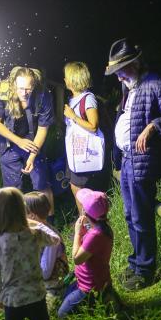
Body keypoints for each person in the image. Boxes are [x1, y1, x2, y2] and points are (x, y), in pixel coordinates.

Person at [105, 38, 161, 291]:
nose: (119, 77)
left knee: (141, 217)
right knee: (131, 215)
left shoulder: (157, 84)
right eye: (116, 73)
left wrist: (154, 126)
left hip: (143, 161)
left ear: (136, 63)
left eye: (122, 70)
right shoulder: (130, 86)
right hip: (129, 159)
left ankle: (145, 270)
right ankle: (136, 263)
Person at [0, 187, 65, 320]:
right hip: (37, 295)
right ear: (22, 210)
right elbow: (55, 239)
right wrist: (36, 224)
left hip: (12, 300)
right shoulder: (34, 233)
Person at [0, 66, 56, 222]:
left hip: (33, 143)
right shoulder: (1, 91)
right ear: (13, 84)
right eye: (20, 88)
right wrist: (18, 141)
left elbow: (43, 129)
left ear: (34, 85)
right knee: (12, 188)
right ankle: (17, 222)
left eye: (28, 89)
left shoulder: (43, 95)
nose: (24, 93)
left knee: (42, 183)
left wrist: (32, 157)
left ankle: (50, 223)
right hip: (9, 144)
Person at [58, 188, 114, 318]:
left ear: (85, 211)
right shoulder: (102, 227)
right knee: (62, 297)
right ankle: (94, 303)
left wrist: (78, 233)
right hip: (88, 280)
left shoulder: (95, 235)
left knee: (61, 315)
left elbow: (77, 259)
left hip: (89, 287)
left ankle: (93, 303)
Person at [63, 61, 106, 215]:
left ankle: (88, 223)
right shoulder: (73, 98)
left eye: (67, 77)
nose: (64, 80)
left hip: (84, 151)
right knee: (75, 187)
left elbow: (93, 126)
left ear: (74, 79)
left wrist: (73, 116)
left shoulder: (88, 98)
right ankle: (86, 222)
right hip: (75, 150)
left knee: (79, 189)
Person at [24, 191, 69, 311]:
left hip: (53, 286)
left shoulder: (50, 238)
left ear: (32, 216)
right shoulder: (33, 231)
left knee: (41, 311)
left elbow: (45, 273)